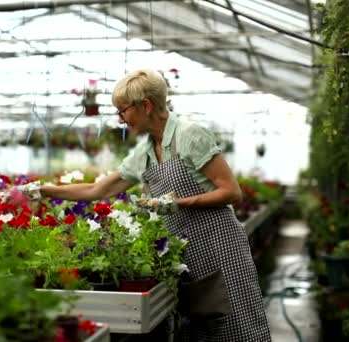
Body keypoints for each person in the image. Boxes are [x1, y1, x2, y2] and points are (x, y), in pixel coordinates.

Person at [37, 69, 271, 341]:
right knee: (202, 329)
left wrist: (178, 203)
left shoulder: (190, 135)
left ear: (145, 106)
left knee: (236, 328)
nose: (120, 119)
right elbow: (96, 189)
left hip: (220, 247)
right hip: (186, 255)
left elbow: (231, 192)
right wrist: (43, 190)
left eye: (122, 110)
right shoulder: (145, 152)